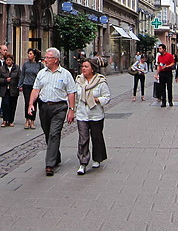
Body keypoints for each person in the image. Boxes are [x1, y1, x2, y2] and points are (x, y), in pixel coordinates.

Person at [27, 47, 77, 176]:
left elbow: (71, 93)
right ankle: (56, 155)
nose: (45, 60)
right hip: (44, 107)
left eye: (48, 58)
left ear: (56, 60)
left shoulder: (65, 74)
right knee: (48, 133)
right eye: (45, 57)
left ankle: (49, 164)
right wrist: (31, 104)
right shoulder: (42, 73)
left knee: (54, 134)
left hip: (59, 107)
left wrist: (71, 110)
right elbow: (35, 90)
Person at [74, 58, 111, 175]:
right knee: (83, 139)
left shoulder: (100, 81)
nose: (83, 69)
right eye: (82, 66)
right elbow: (75, 96)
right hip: (82, 114)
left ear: (93, 69)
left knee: (96, 137)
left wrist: (98, 100)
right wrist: (72, 110)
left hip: (96, 114)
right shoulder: (79, 80)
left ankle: (97, 158)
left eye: (86, 67)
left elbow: (107, 97)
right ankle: (83, 162)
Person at [18, 48, 42, 129]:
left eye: (31, 54)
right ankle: (27, 120)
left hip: (35, 86)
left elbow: (42, 76)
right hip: (26, 85)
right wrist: (20, 85)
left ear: (34, 55)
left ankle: (32, 120)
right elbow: (22, 75)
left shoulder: (39, 65)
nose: (29, 55)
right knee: (27, 103)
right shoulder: (26, 64)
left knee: (34, 103)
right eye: (28, 53)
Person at [0, 54, 20, 127]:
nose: (8, 62)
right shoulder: (2, 68)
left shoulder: (17, 68)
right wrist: (5, 80)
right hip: (5, 89)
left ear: (12, 61)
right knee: (5, 104)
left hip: (13, 89)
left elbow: (20, 77)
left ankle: (11, 120)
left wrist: (19, 86)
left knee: (12, 105)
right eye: (7, 60)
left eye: (10, 60)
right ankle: (5, 120)